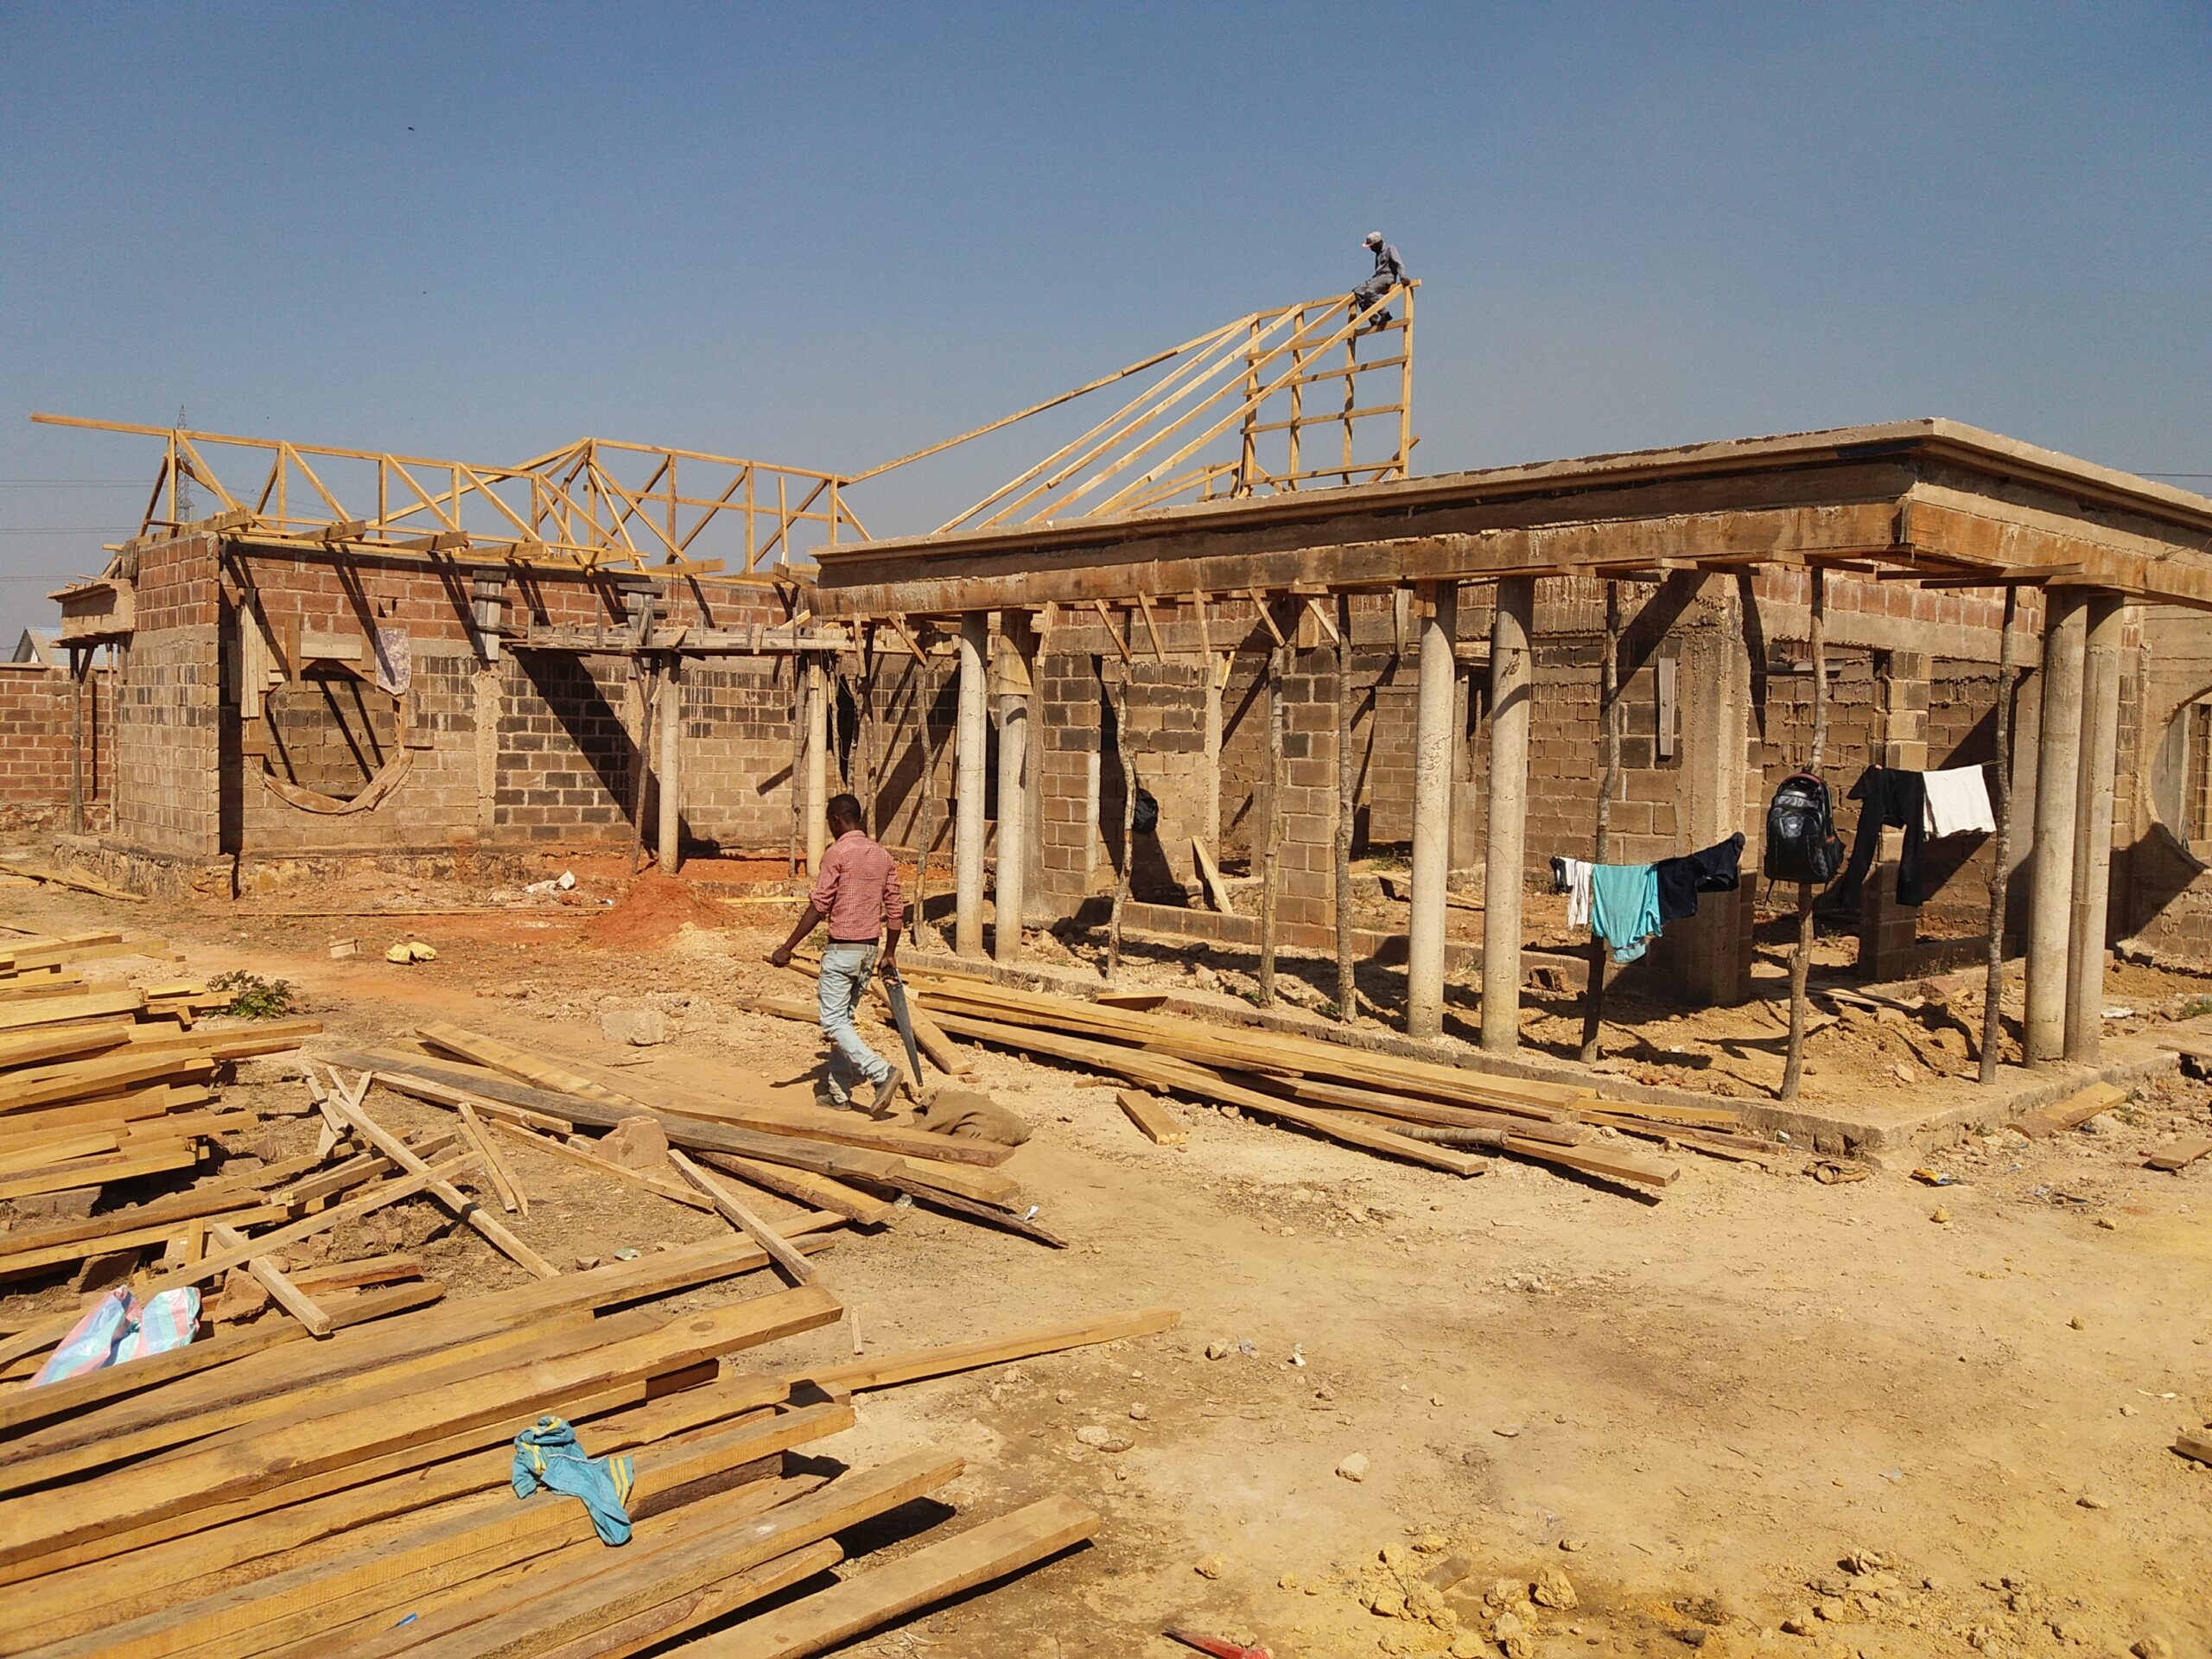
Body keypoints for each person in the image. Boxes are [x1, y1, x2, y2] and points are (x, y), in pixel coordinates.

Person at [768, 792, 906, 1113]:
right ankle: (839, 1093)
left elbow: (819, 906)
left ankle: (880, 1072)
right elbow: (896, 907)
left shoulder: (837, 853)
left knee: (832, 1022)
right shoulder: (883, 855)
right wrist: (889, 952)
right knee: (843, 1022)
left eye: (829, 822)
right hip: (869, 951)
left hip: (843, 950)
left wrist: (787, 947)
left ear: (836, 820)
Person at [1350, 231, 1408, 328]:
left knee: (1369, 291)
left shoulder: (1389, 248)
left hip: (1387, 277)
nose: (1371, 249)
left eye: (1372, 246)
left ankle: (1384, 313)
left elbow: (1398, 263)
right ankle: (1371, 316)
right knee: (1358, 291)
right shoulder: (1378, 252)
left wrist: (1403, 277)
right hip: (1377, 277)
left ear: (1378, 243)